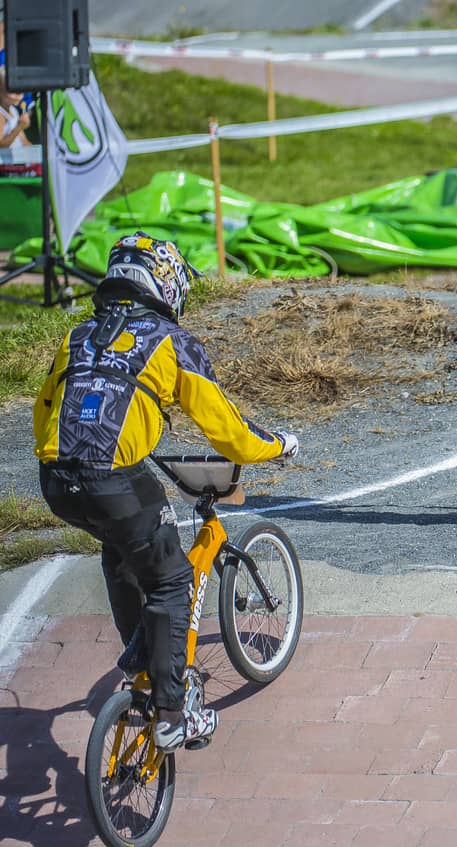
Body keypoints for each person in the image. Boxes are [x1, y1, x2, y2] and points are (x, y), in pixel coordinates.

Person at [33, 233, 299, 753]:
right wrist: (277, 444)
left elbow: (45, 412)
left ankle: (143, 659)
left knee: (122, 553)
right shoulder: (170, 340)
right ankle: (176, 713)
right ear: (166, 280)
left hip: (56, 482)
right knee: (173, 580)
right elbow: (229, 434)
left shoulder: (78, 334)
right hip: (113, 480)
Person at [0, 67, 32, 150]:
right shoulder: (1, 114)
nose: (19, 96)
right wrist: (20, 126)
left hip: (18, 160)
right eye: (13, 91)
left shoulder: (13, 111)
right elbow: (1, 145)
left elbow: (23, 141)